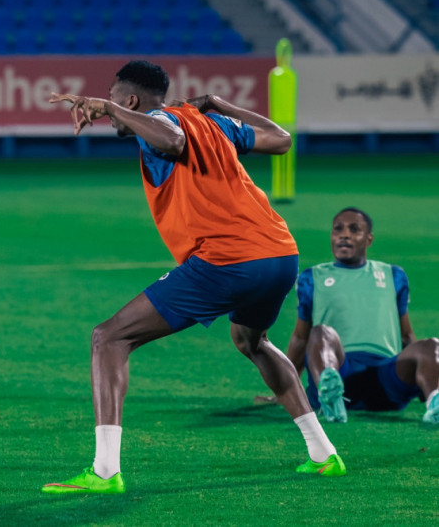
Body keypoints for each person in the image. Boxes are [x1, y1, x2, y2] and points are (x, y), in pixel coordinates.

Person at [41, 60, 344, 495]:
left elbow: (171, 139)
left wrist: (106, 107)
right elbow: (281, 140)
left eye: (115, 98)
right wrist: (221, 105)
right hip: (279, 254)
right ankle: (323, 454)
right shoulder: (212, 122)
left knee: (109, 338)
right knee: (251, 341)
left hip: (228, 260)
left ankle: (105, 472)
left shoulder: (164, 124)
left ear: (130, 100)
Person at [275, 207, 439, 424]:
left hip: (384, 374)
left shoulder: (393, 275)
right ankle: (331, 396)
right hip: (338, 367)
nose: (344, 234)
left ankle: (435, 401)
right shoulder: (312, 277)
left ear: (368, 239)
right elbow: (300, 338)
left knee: (431, 346)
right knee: (320, 333)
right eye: (338, 229)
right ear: (332, 236)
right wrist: (283, 391)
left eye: (354, 230)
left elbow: (407, 336)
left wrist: (424, 377)